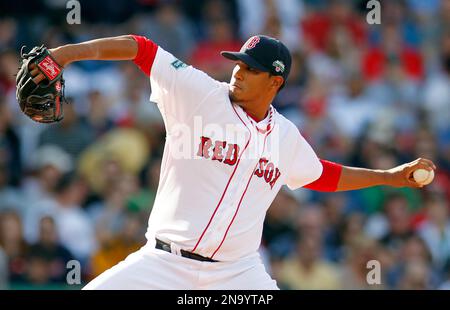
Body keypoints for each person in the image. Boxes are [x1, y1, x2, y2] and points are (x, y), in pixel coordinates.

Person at [28, 34, 436, 289]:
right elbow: (141, 47)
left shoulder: (285, 137)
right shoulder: (200, 93)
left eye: (251, 69)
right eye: (238, 62)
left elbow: (322, 176)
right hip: (163, 263)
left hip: (236, 275)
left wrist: (389, 176)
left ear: (275, 82)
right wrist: (63, 55)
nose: (239, 72)